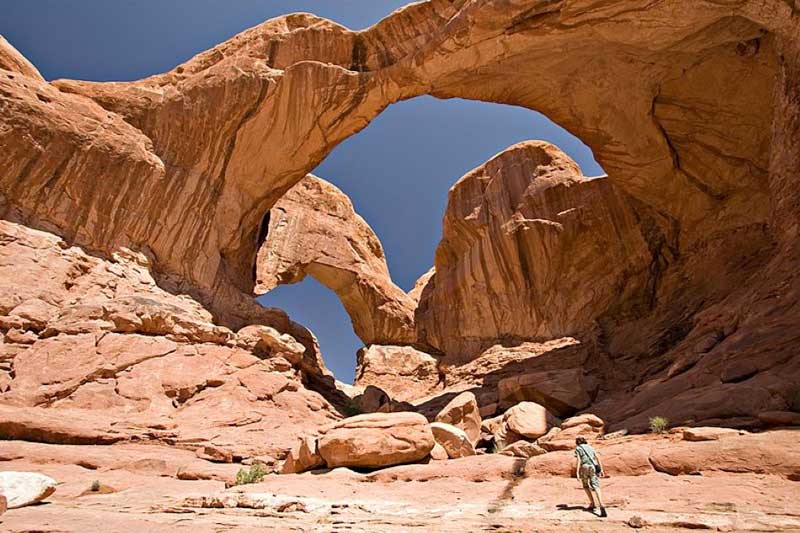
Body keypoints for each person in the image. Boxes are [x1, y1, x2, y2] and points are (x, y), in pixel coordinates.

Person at [575, 436, 607, 517]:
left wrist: (577, 472)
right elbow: (597, 457)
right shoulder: (590, 447)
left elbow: (579, 460)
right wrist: (601, 469)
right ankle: (601, 504)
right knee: (596, 486)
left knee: (586, 485)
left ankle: (592, 503)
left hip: (584, 467)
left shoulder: (578, 448)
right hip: (592, 467)